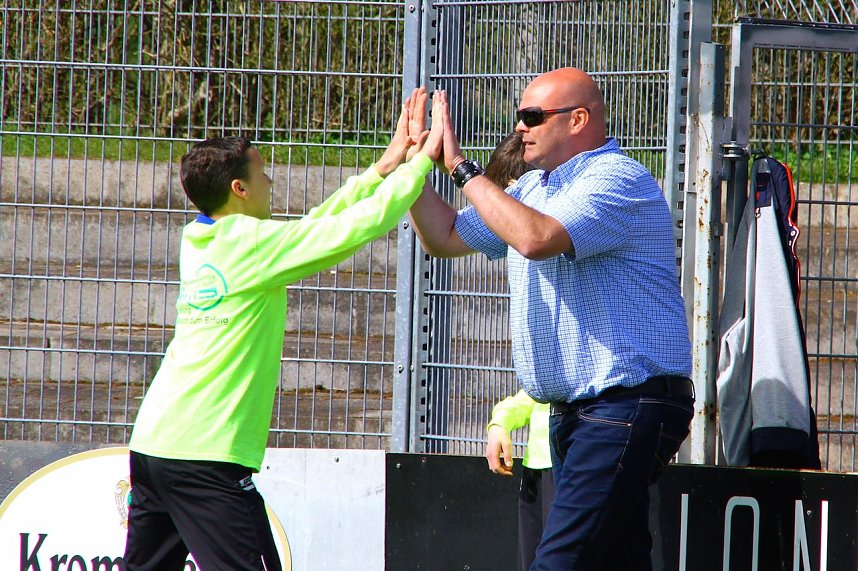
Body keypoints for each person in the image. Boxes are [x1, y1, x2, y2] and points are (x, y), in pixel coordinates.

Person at [123, 88, 444, 570]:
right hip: (206, 455)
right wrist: (420, 165)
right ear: (240, 189)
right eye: (263, 174)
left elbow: (314, 225)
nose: (271, 181)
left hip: (153, 445)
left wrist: (383, 167)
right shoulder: (250, 244)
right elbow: (351, 229)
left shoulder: (201, 236)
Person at [409, 68, 694, 570]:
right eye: (521, 116)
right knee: (616, 560)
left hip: (625, 404)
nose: (519, 127)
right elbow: (444, 235)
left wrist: (458, 165)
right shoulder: (534, 189)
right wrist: (409, 167)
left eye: (532, 116)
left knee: (559, 562)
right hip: (580, 413)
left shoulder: (615, 177)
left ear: (579, 119)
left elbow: (536, 239)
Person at [480, 132, 553, 571]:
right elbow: (538, 390)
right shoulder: (528, 268)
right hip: (538, 465)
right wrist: (501, 421)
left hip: (576, 461)